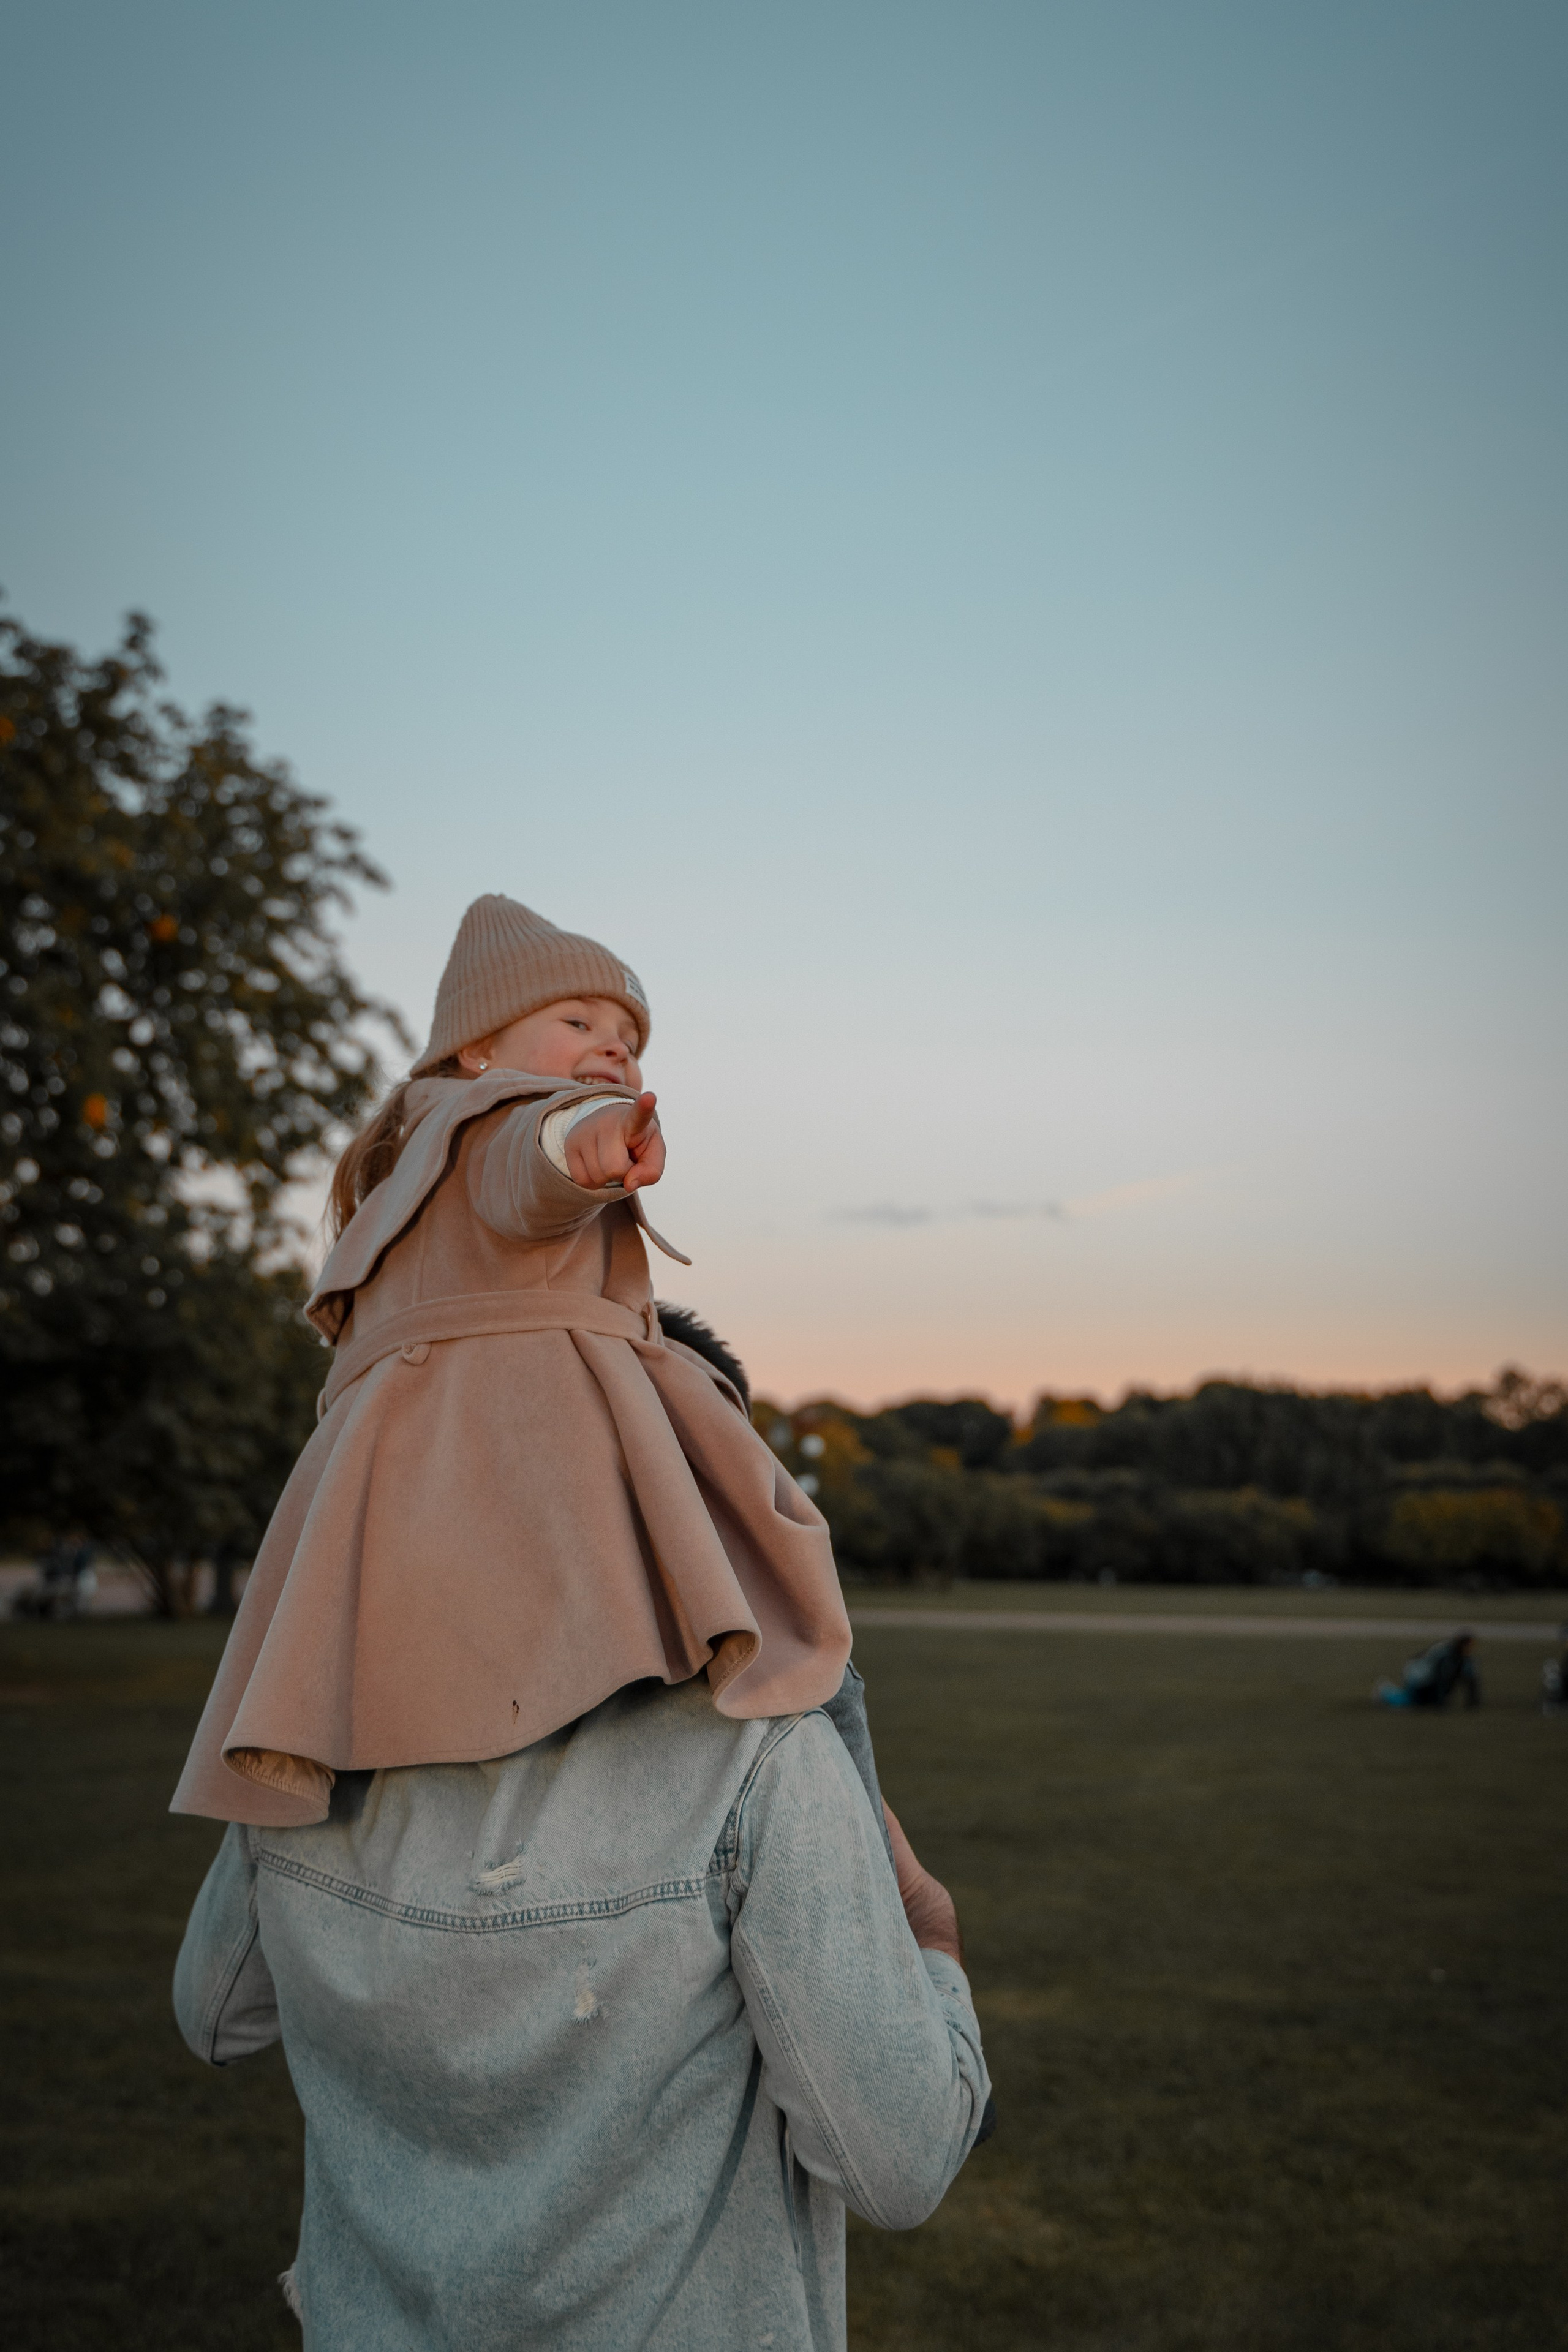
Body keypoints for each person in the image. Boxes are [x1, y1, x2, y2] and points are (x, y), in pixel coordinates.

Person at [172, 893, 990, 2346]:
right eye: (584, 1029)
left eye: (628, 1040)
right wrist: (924, 1937)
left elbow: (215, 2011)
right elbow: (901, 2155)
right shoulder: (751, 1767)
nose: (610, 1057)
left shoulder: (307, 1740)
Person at [1374, 1630, 1480, 1709]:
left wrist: (1473, 1701)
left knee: (1426, 1703)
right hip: (1419, 1678)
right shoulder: (1444, 1654)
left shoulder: (1465, 1659)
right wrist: (1441, 1702)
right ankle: (1385, 1692)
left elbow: (1472, 1680)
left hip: (1428, 1679)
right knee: (1412, 1703)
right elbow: (1441, 1678)